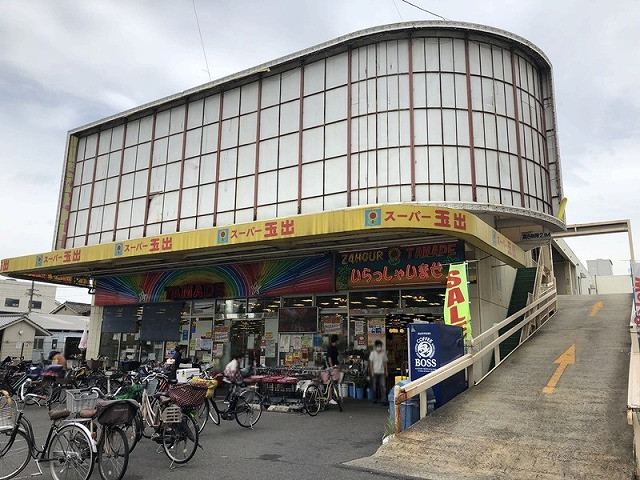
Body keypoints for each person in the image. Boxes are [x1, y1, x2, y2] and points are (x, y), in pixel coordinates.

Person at [368, 340, 388, 404]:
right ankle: (374, 399)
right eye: (378, 346)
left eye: (380, 346)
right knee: (374, 386)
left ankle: (383, 400)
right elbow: (371, 363)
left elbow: (385, 363)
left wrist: (386, 371)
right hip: (375, 372)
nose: (379, 347)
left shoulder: (383, 353)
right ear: (375, 346)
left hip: (382, 372)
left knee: (383, 386)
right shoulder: (372, 353)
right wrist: (372, 371)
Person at [325, 335, 340, 405]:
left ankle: (331, 397)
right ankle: (330, 398)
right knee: (331, 383)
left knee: (333, 382)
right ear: (336, 340)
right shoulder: (331, 348)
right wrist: (331, 367)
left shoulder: (334, 348)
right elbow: (329, 358)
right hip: (332, 367)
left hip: (334, 366)